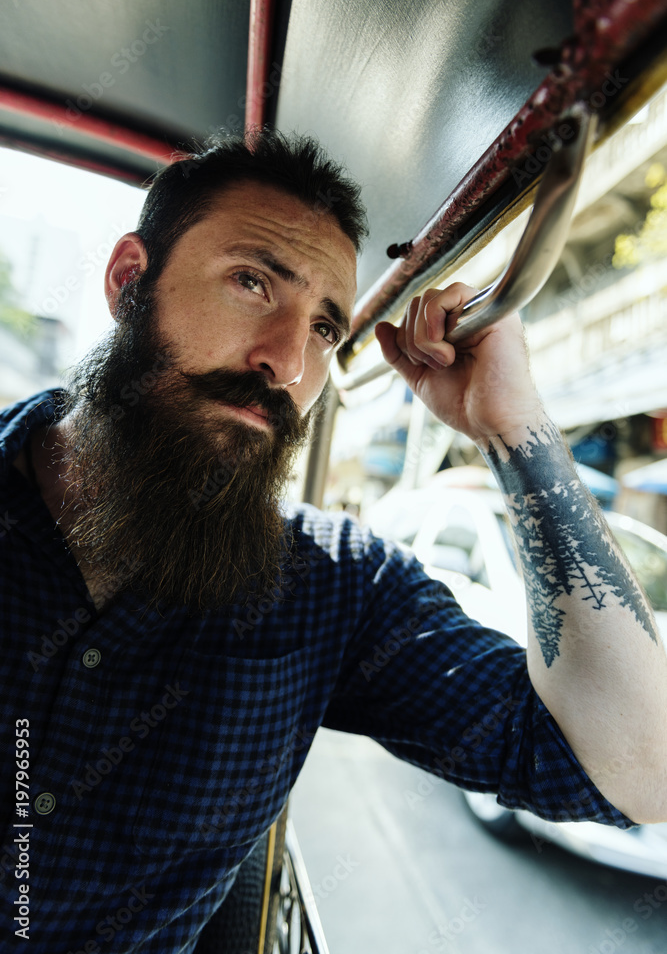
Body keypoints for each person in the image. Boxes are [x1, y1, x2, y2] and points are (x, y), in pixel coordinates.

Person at [1, 130, 666, 953]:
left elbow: (642, 770)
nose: (286, 361)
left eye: (323, 329)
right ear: (130, 280)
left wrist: (512, 427)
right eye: (251, 282)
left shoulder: (334, 589)